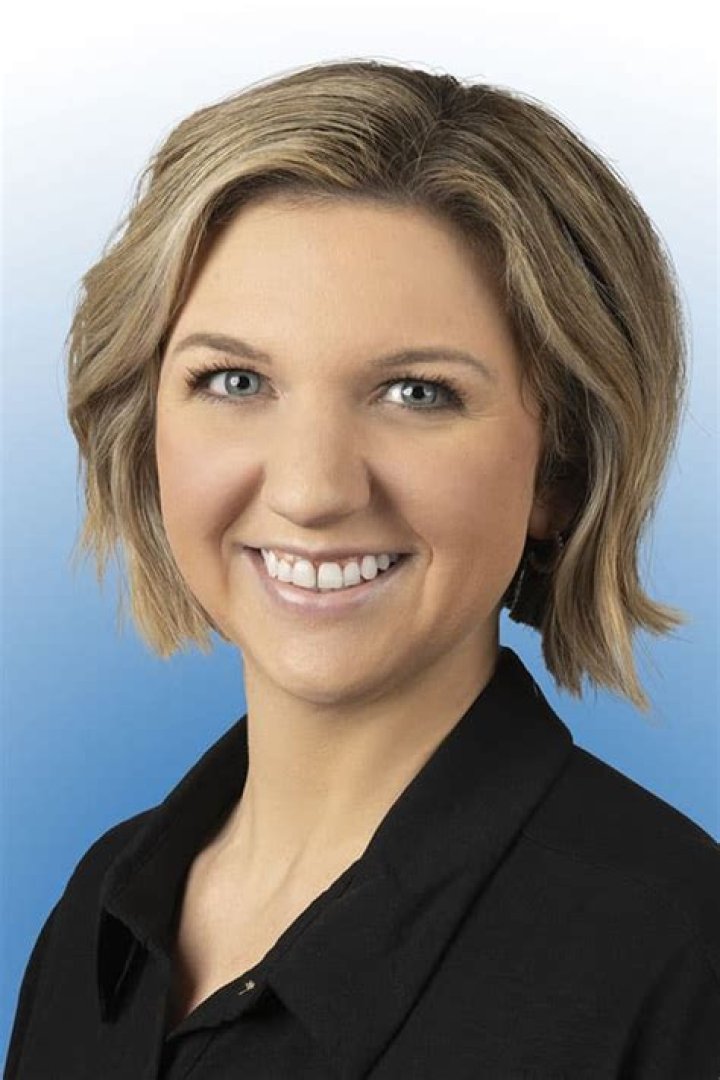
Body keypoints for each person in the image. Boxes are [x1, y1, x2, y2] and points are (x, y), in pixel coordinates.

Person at [6, 57, 719, 1079]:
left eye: (416, 393)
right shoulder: (99, 914)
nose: (311, 489)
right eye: (235, 380)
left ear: (559, 470)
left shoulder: (681, 959)